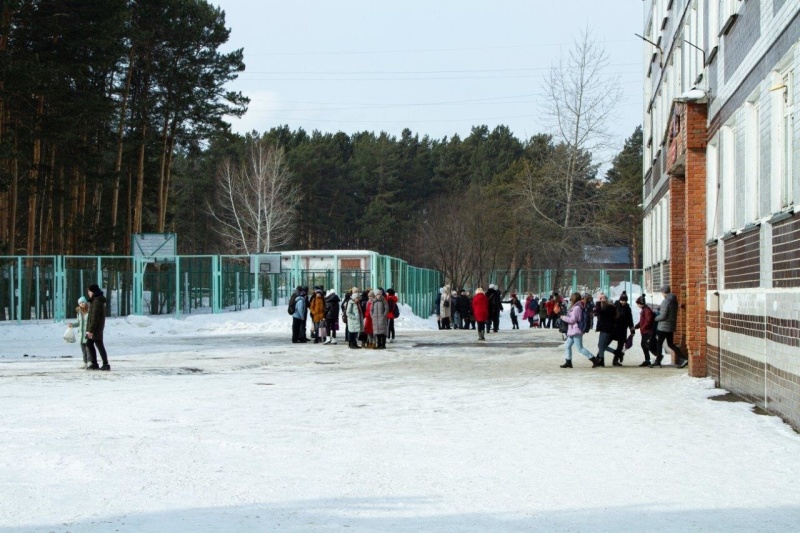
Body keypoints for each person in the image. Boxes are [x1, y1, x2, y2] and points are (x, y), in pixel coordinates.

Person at [559, 292, 598, 368]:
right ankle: (568, 361)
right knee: (567, 346)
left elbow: (573, 320)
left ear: (574, 299)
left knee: (580, 348)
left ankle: (594, 359)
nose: (570, 301)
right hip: (572, 330)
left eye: (571, 299)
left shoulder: (577, 307)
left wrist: (563, 317)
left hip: (576, 330)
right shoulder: (576, 306)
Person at [654, 285, 688, 368]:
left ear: (663, 292)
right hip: (671, 326)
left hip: (663, 326)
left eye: (662, 292)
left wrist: (655, 318)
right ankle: (683, 358)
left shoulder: (666, 301)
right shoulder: (674, 300)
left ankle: (658, 361)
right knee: (670, 344)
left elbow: (663, 316)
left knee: (659, 343)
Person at [85, 284, 110, 371]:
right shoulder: (95, 301)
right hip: (95, 328)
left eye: (89, 291)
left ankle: (105, 363)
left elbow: (94, 317)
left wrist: (91, 330)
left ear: (93, 292)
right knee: (89, 343)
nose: (88, 293)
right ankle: (94, 363)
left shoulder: (96, 302)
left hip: (96, 328)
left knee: (99, 344)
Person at [594, 293, 617, 367]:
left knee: (601, 345)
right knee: (602, 345)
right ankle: (617, 352)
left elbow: (599, 312)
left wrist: (598, 302)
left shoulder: (609, 308)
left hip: (606, 328)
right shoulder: (606, 308)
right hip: (605, 328)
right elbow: (597, 313)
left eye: (602, 302)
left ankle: (601, 360)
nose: (601, 303)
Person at [611, 292, 635, 366]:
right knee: (605, 343)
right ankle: (600, 357)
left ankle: (615, 360)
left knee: (620, 345)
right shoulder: (615, 306)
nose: (624, 302)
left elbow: (630, 320)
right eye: (622, 300)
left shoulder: (628, 308)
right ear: (619, 300)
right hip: (614, 328)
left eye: (625, 301)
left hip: (623, 329)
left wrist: (632, 329)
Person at [67, 296, 91, 369]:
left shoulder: (90, 311)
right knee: (83, 350)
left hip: (87, 334)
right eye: (80, 303)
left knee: (88, 349)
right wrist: (72, 325)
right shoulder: (79, 313)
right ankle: (85, 362)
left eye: (83, 302)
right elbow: (78, 323)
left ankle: (90, 362)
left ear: (86, 302)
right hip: (81, 335)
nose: (82, 304)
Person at [635, 295, 656, 366]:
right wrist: (636, 326)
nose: (637, 305)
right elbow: (642, 321)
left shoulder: (646, 310)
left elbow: (648, 321)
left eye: (637, 303)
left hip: (647, 331)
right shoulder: (645, 309)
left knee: (646, 345)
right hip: (645, 331)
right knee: (645, 345)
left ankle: (656, 356)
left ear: (640, 303)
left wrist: (643, 327)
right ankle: (648, 359)